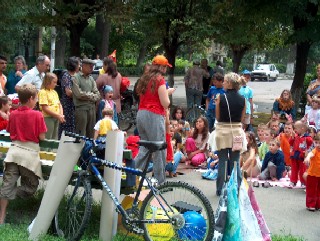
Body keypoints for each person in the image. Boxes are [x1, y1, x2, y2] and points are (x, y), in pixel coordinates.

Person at [0, 84, 47, 224]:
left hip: (13, 154)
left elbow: (9, 130)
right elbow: (42, 137)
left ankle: (1, 219)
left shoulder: (13, 114)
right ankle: (7, 193)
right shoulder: (37, 115)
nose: (37, 101)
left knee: (7, 185)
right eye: (36, 98)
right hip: (29, 157)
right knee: (31, 187)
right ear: (31, 98)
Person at [134, 54, 173, 185]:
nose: (166, 69)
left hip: (141, 114)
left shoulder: (144, 78)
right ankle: (160, 181)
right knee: (159, 148)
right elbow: (165, 103)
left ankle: (133, 175)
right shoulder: (160, 80)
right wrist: (167, 93)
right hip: (154, 116)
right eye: (165, 67)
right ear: (160, 67)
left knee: (144, 147)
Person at [215, 72, 246, 196]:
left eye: (224, 81)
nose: (223, 83)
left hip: (222, 131)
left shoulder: (220, 97)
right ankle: (236, 188)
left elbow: (217, 116)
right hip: (237, 132)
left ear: (229, 83)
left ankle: (220, 189)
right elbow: (242, 119)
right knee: (235, 162)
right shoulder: (243, 100)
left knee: (222, 161)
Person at [72, 59, 100, 138]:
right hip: (81, 109)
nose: (92, 68)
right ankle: (80, 150)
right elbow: (78, 94)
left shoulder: (91, 78)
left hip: (91, 109)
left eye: (92, 66)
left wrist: (89, 96)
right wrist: (92, 96)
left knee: (91, 133)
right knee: (81, 133)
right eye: (90, 66)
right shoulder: (75, 77)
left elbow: (97, 94)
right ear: (83, 66)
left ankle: (89, 149)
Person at [58, 56, 80, 139]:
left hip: (74, 105)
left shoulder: (77, 75)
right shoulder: (66, 76)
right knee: (66, 126)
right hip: (67, 105)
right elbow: (68, 92)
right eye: (78, 64)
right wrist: (79, 95)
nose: (79, 66)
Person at [38, 73, 65, 140]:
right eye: (54, 82)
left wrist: (61, 114)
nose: (56, 84)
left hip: (56, 117)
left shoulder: (54, 92)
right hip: (48, 117)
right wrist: (58, 115)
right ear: (48, 82)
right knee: (48, 137)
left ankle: (53, 150)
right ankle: (45, 150)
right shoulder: (43, 92)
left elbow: (59, 104)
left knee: (55, 137)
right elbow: (45, 108)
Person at [289, 120, 313, 188]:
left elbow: (311, 143)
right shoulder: (296, 136)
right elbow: (290, 143)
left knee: (303, 169)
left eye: (296, 128)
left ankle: (303, 182)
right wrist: (292, 137)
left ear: (302, 128)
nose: (295, 130)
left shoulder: (307, 137)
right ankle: (293, 181)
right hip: (294, 154)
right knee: (294, 169)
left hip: (302, 155)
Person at [304, 135, 320, 211]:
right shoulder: (315, 150)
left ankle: (318, 204)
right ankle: (310, 204)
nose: (318, 145)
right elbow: (310, 154)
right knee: (311, 190)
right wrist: (307, 158)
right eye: (316, 143)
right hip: (312, 174)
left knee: (318, 190)